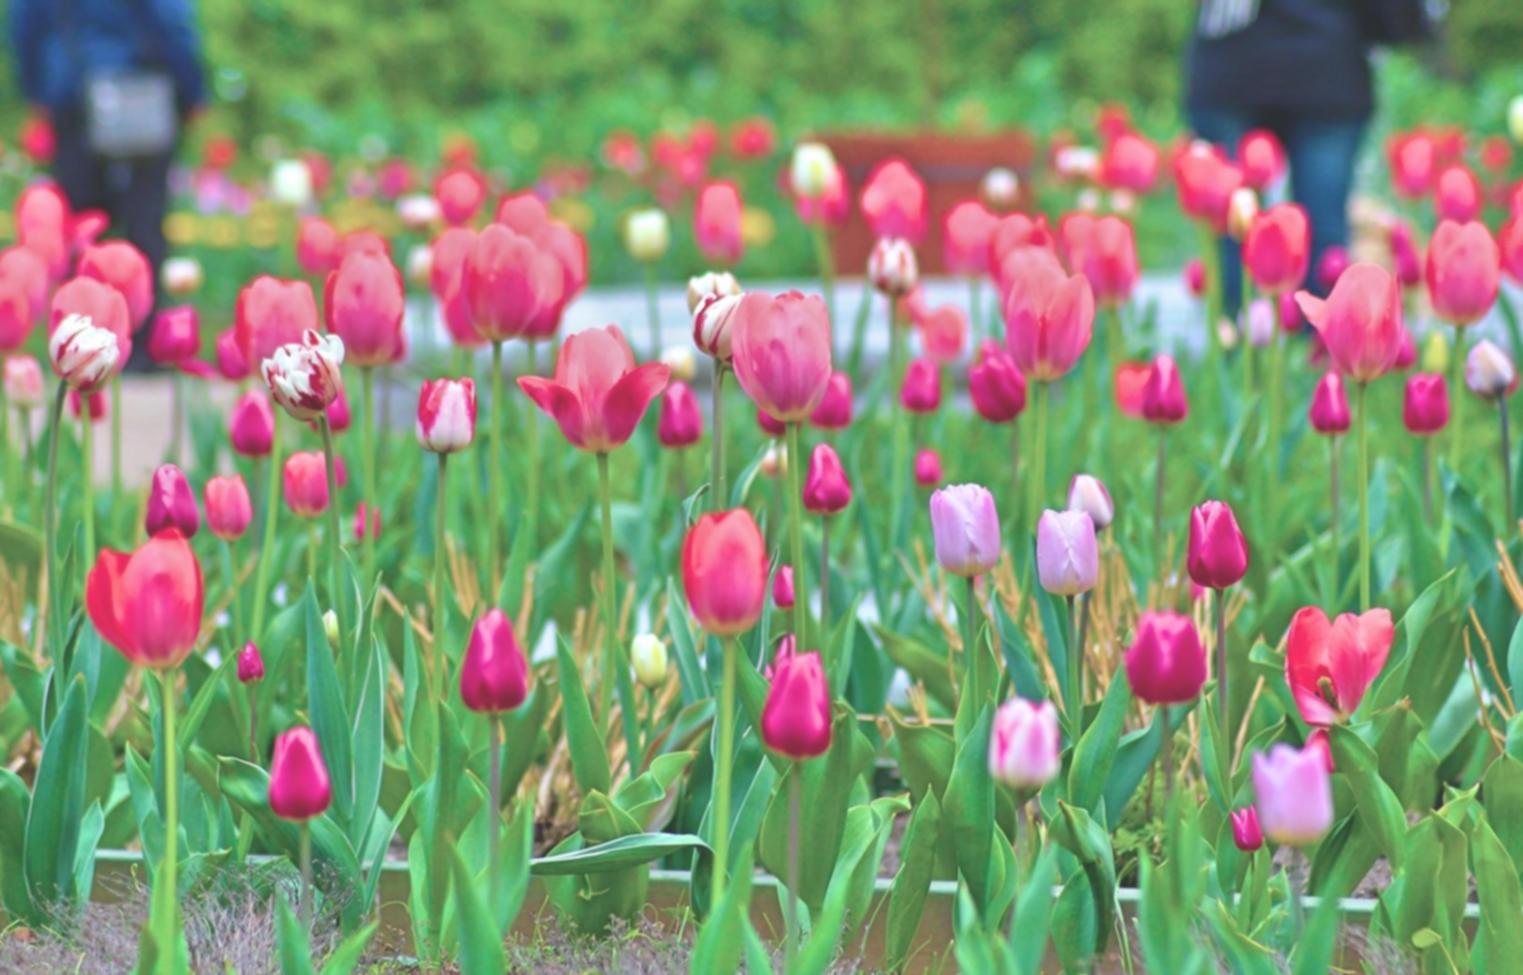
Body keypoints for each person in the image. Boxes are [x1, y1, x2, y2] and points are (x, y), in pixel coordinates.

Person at [1186, 0, 1433, 315]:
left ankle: (1235, 330)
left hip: (1235, 64)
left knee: (1234, 225)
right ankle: (1316, 337)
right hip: (1326, 65)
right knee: (1321, 231)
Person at [10, 0, 205, 360]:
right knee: (144, 223)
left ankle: (80, 344)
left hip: (70, 89)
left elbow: (24, 25)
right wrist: (193, 90)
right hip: (141, 89)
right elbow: (172, 22)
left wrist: (37, 90)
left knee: (82, 229)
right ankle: (141, 347)